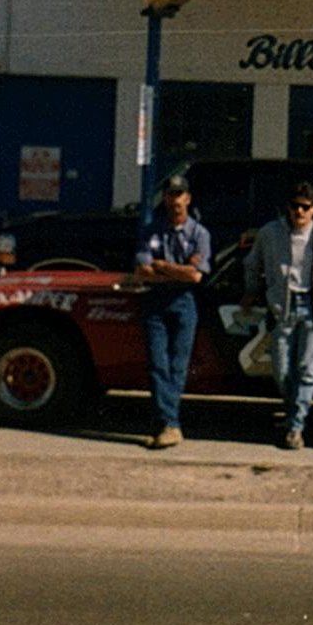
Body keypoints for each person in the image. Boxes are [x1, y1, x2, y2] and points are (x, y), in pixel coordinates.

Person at [241, 181, 313, 450]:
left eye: (305, 207)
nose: (300, 212)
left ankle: (296, 427)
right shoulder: (270, 233)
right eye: (295, 206)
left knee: (307, 369)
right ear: (288, 208)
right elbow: (251, 263)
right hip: (283, 306)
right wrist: (251, 291)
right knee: (281, 369)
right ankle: (294, 410)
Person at [134, 174, 212, 450]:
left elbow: (195, 277)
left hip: (184, 302)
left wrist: (163, 267)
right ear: (165, 198)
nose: (175, 200)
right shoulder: (152, 231)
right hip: (155, 301)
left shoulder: (199, 234)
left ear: (188, 198)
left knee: (178, 366)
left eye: (180, 194)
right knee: (158, 364)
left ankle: (167, 424)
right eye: (171, 194)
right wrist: (178, 270)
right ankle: (169, 424)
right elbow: (142, 271)